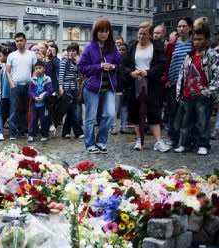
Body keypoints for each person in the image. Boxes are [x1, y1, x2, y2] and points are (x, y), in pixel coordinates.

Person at [122, 22, 170, 152]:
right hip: (134, 84)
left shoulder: (157, 47)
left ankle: (158, 141)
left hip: (152, 84)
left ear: (150, 35)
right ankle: (139, 139)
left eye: (144, 34)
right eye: (140, 33)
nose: (141, 36)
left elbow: (162, 64)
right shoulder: (132, 47)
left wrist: (148, 73)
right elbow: (124, 65)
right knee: (135, 112)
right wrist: (130, 73)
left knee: (153, 112)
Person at [77, 18, 121, 154]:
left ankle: (101, 141)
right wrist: (99, 66)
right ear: (96, 32)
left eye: (106, 31)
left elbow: (120, 65)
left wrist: (113, 66)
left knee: (109, 115)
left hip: (109, 88)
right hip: (92, 88)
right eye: (101, 31)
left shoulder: (113, 47)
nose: (104, 34)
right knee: (90, 118)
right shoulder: (89, 48)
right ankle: (90, 144)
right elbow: (81, 67)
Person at [174, 24, 219, 155]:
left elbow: (217, 75)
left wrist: (208, 91)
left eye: (200, 39)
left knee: (203, 122)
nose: (197, 42)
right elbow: (182, 74)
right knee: (185, 122)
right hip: (188, 94)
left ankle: (203, 144)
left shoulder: (212, 55)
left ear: (207, 40)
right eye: (195, 39)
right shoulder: (189, 55)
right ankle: (184, 144)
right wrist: (179, 92)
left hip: (202, 94)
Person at [162, 17, 193, 147]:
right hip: (173, 84)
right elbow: (167, 63)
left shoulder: (194, 43)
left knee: (189, 113)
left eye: (184, 26)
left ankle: (188, 140)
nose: (181, 29)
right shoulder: (172, 44)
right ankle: (173, 138)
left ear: (190, 28)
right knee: (173, 112)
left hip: (189, 85)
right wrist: (166, 79)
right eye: (179, 26)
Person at [6, 32, 37, 139]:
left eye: (21, 40)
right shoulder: (11, 55)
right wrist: (11, 84)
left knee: (26, 110)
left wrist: (33, 80)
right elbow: (7, 71)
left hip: (28, 85)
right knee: (14, 110)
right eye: (17, 41)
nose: (19, 43)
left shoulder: (32, 55)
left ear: (25, 41)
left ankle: (24, 130)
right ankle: (13, 133)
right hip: (16, 86)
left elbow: (35, 70)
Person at [58, 42, 84, 139]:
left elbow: (80, 74)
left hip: (75, 88)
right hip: (67, 88)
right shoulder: (65, 60)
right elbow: (61, 74)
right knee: (72, 111)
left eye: (73, 51)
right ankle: (78, 132)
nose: (71, 52)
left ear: (77, 52)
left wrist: (79, 64)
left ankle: (66, 132)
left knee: (70, 111)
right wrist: (61, 87)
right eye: (69, 51)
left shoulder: (75, 62)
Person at [28, 61, 52, 142]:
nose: (38, 70)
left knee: (44, 119)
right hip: (35, 103)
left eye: (40, 68)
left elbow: (49, 90)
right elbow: (30, 91)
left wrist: (43, 96)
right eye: (36, 68)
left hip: (44, 104)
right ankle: (31, 135)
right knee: (33, 119)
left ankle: (45, 135)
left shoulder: (47, 79)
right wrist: (34, 97)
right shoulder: (33, 79)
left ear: (44, 69)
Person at [45, 41, 60, 133]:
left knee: (51, 107)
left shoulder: (54, 60)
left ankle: (52, 123)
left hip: (52, 87)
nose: (48, 51)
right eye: (48, 49)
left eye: (51, 49)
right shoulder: (42, 60)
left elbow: (59, 68)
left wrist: (54, 56)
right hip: (42, 86)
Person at [0, 47, 12, 127]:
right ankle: (0, 128)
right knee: (2, 112)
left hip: (10, 94)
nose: (0, 58)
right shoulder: (4, 66)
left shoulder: (11, 66)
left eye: (1, 56)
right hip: (4, 94)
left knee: (8, 112)